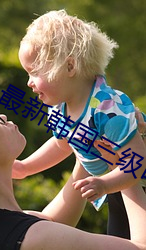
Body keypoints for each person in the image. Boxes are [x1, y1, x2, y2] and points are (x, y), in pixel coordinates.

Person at [0, 98, 146, 250]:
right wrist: (125, 164)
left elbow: (53, 221)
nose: (2, 116)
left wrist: (87, 146)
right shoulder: (34, 238)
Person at [14, 9, 146, 239]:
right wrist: (26, 167)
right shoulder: (60, 108)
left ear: (69, 67)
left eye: (34, 72)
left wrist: (104, 184)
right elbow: (61, 144)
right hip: (116, 188)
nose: (29, 82)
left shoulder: (107, 108)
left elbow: (137, 162)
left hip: (135, 185)